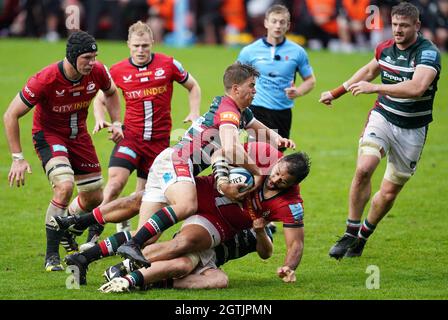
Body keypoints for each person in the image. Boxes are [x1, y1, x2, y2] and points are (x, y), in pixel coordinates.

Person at [113, 62, 295, 266]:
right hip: (179, 162)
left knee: (149, 233)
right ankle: (131, 245)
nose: (255, 90)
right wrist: (257, 172)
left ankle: (84, 250)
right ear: (236, 88)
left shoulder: (241, 111)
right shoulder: (229, 112)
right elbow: (231, 149)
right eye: (251, 85)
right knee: (186, 205)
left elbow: (259, 129)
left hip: (175, 161)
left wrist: (279, 140)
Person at [59, 143, 309, 285]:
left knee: (183, 243)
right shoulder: (263, 152)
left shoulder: (290, 203)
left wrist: (288, 266)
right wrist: (223, 182)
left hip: (217, 220)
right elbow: (221, 152)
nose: (274, 180)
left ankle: (122, 267)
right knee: (141, 202)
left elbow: (295, 243)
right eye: (276, 172)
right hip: (205, 189)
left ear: (293, 185)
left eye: (282, 182)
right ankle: (80, 225)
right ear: (278, 161)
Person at [319, 2, 441, 259]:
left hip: (412, 130)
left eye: (404, 26)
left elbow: (417, 87)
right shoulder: (385, 48)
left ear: (417, 26)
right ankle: (350, 232)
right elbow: (369, 70)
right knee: (364, 168)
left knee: (387, 193)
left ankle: (362, 237)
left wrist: (376, 88)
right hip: (382, 117)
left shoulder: (428, 54)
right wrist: (336, 92)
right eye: (395, 24)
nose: (397, 30)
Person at [3, 30, 124, 271]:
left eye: (94, 57)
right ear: (72, 56)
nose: (92, 62)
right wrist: (17, 157)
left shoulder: (98, 71)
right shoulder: (45, 79)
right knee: (65, 186)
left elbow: (111, 93)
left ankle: (68, 225)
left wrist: (117, 122)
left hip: (79, 136)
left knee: (94, 196)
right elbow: (11, 114)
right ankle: (51, 257)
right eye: (87, 58)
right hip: (49, 136)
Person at [93, 21, 201, 236]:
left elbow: (193, 86)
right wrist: (100, 118)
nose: (140, 50)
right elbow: (100, 99)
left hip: (159, 143)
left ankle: (124, 226)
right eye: (136, 46)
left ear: (152, 42)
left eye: (144, 45)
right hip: (130, 137)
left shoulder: (168, 64)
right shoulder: (118, 70)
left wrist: (194, 112)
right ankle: (93, 233)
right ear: (128, 45)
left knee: (141, 195)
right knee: (114, 184)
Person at [99, 219, 273, 292]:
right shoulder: (238, 203)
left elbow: (266, 253)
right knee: (182, 265)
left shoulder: (262, 229)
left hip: (212, 260)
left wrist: (260, 232)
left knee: (221, 280)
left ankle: (155, 283)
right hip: (201, 241)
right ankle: (123, 273)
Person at [237, 4, 316, 145]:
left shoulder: (298, 52)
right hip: (256, 108)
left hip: (283, 111)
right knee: (256, 152)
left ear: (288, 25)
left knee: (277, 154)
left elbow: (310, 80)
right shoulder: (249, 51)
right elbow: (235, 78)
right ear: (266, 23)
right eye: (274, 21)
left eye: (282, 22)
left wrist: (298, 92)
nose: (278, 26)